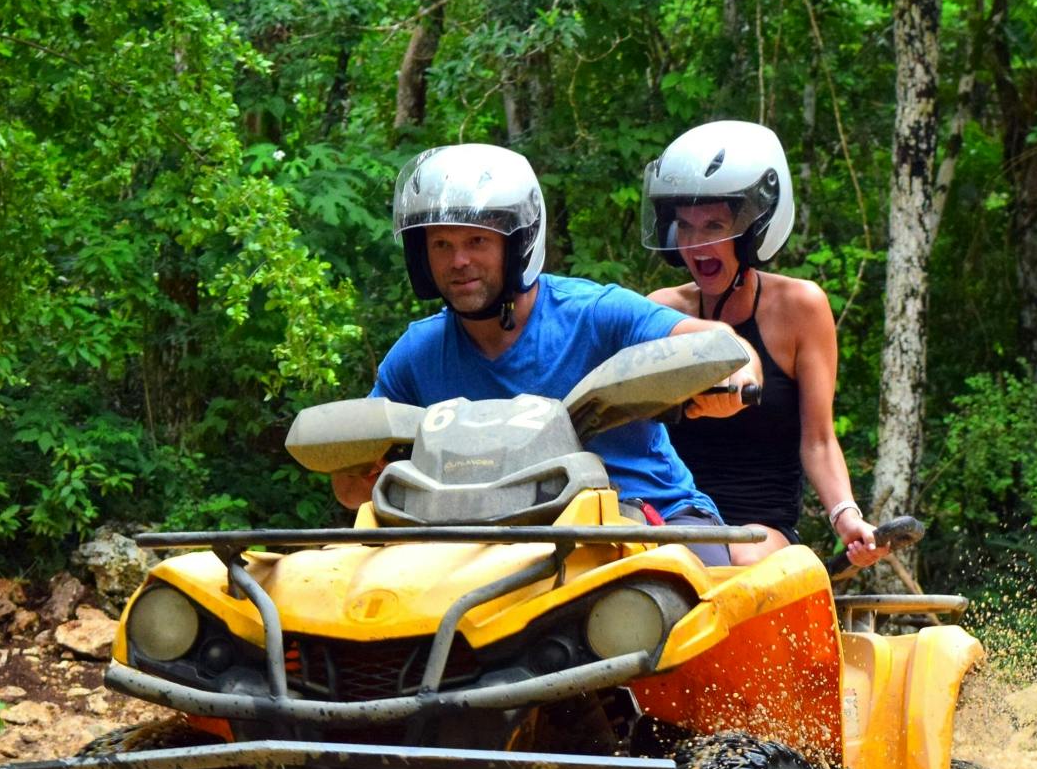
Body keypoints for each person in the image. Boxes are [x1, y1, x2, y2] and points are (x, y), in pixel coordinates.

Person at [341, 143, 762, 565]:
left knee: (696, 596)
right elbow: (350, 487)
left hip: (644, 520)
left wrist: (732, 379)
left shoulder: (595, 313)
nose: (459, 260)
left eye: (476, 240)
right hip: (479, 541)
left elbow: (720, 340)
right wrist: (359, 468)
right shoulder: (417, 354)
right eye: (441, 245)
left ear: (518, 244)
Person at [642, 120, 887, 570]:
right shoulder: (660, 310)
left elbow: (818, 440)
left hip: (758, 533)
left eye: (714, 225)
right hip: (670, 523)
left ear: (754, 230)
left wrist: (846, 516)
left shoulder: (800, 307)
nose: (697, 245)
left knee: (719, 561)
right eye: (685, 227)